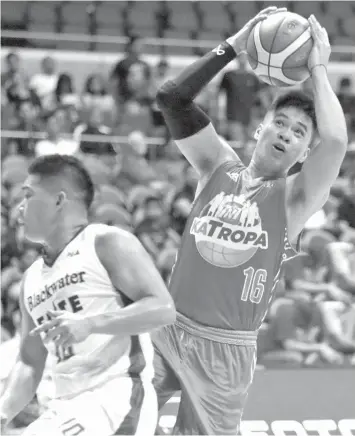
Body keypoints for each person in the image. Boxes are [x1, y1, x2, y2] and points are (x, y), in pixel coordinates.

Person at [152, 7, 348, 435]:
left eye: (299, 133)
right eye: (280, 123)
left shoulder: (294, 198)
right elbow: (171, 98)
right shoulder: (217, 165)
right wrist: (238, 43)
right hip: (165, 328)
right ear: (260, 129)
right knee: (117, 417)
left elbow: (334, 141)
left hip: (225, 350)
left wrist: (317, 69)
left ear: (302, 154)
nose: (286, 134)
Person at [0, 154, 176, 436]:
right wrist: (3, 411)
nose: (18, 208)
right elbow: (30, 362)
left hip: (114, 398)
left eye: (28, 196)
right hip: (65, 407)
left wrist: (91, 323)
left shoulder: (106, 242)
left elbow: (163, 309)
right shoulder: (30, 279)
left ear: (59, 201)